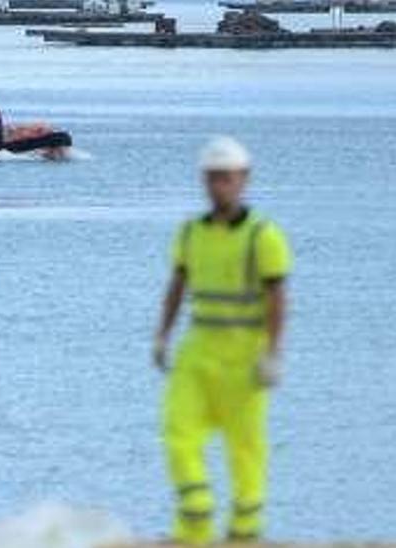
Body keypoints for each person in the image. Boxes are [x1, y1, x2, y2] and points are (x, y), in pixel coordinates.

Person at [152, 136, 292, 544]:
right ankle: (195, 520)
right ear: (204, 180)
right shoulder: (191, 233)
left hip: (244, 358)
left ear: (243, 179)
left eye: (226, 178)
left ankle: (245, 530)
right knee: (178, 433)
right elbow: (177, 285)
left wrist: (273, 352)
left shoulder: (262, 237)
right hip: (197, 353)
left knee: (246, 448)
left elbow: (278, 297)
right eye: (213, 178)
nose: (219, 186)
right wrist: (162, 336)